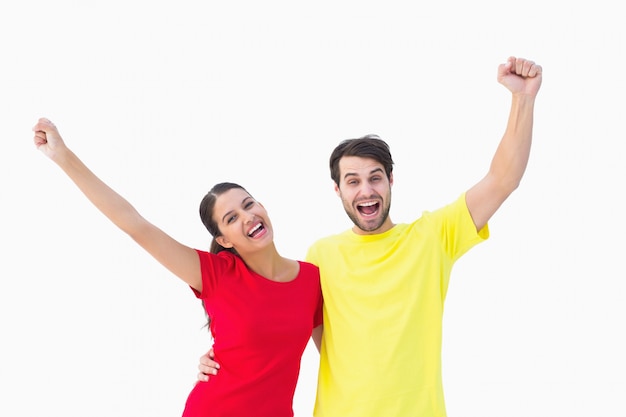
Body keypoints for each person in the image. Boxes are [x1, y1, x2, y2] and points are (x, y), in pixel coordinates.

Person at [197, 55, 543, 416]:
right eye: (353, 181)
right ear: (338, 191)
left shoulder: (434, 235)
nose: (366, 190)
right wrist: (222, 358)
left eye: (375, 177)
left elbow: (503, 180)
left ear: (390, 181)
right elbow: (277, 326)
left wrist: (523, 99)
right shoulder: (321, 256)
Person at [31, 118, 324, 417]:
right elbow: (136, 225)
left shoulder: (312, 279)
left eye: (249, 205)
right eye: (231, 218)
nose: (247, 217)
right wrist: (63, 157)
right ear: (223, 239)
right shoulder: (215, 274)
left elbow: (334, 357)